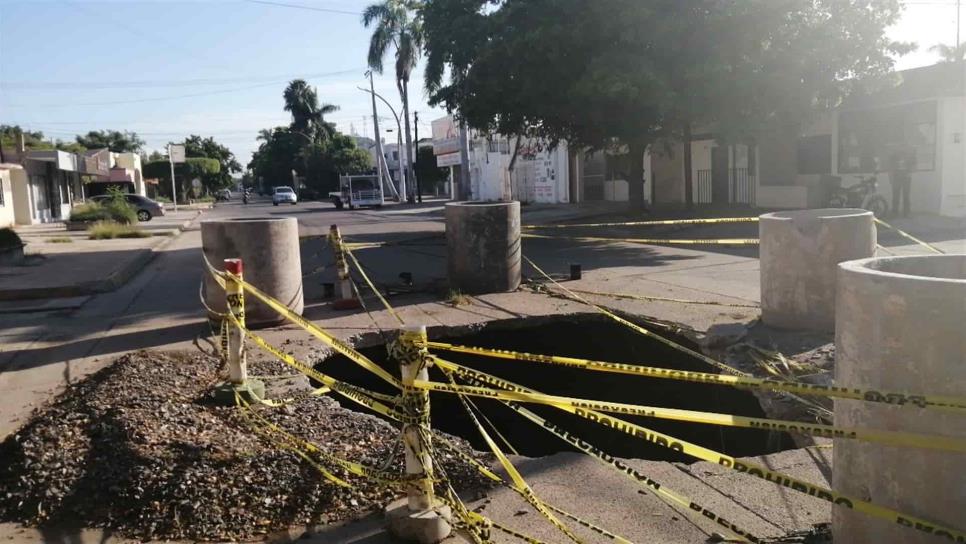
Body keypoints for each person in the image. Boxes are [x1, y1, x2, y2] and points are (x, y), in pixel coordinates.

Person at [890, 151, 912, 218]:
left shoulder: (909, 158)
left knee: (906, 195)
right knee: (896, 195)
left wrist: (909, 173)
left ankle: (906, 212)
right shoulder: (894, 157)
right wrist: (891, 178)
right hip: (897, 177)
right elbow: (891, 167)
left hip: (906, 178)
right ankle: (895, 212)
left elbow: (912, 167)